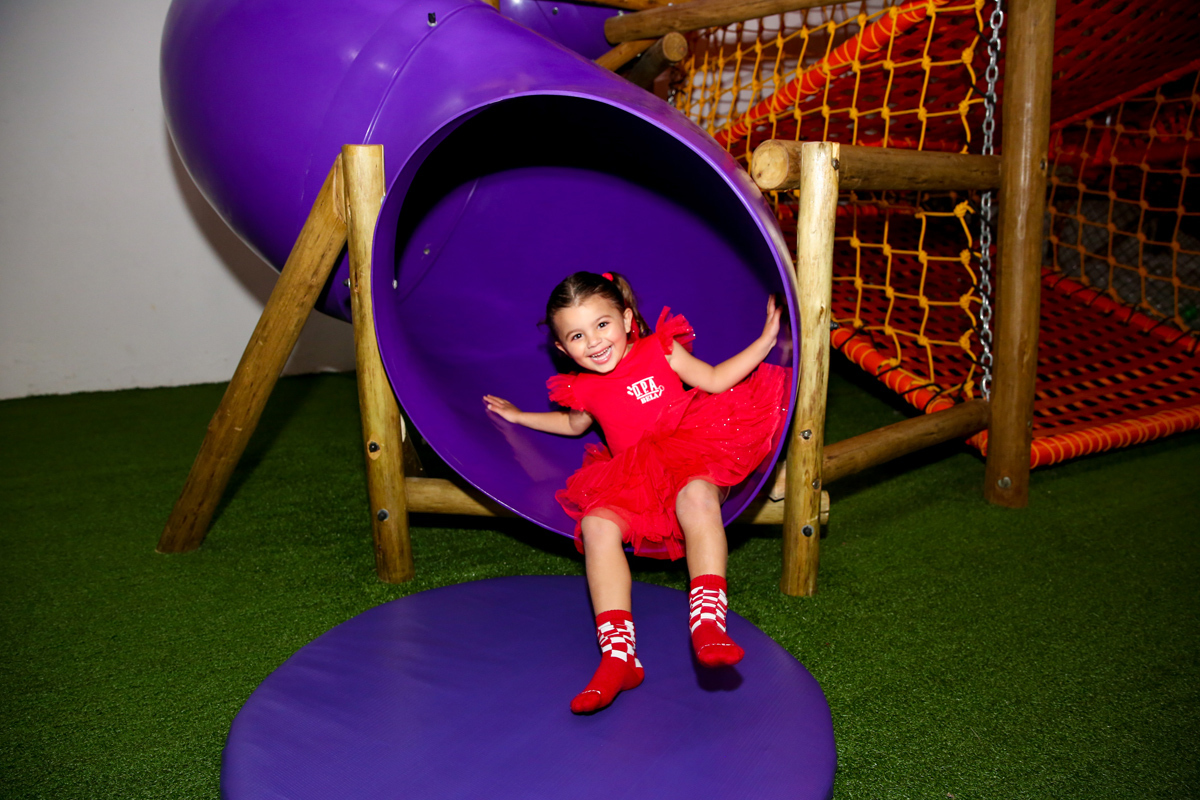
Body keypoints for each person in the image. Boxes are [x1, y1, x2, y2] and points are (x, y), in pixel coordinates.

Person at [483, 271, 788, 713]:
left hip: (693, 456)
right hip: (635, 480)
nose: (594, 342)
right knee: (595, 524)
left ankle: (707, 621)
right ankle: (619, 657)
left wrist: (765, 342)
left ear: (626, 319)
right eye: (577, 336)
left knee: (695, 497)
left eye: (602, 325)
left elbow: (715, 379)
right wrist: (519, 416)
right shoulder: (582, 387)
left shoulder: (659, 350)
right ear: (562, 349)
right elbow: (572, 425)